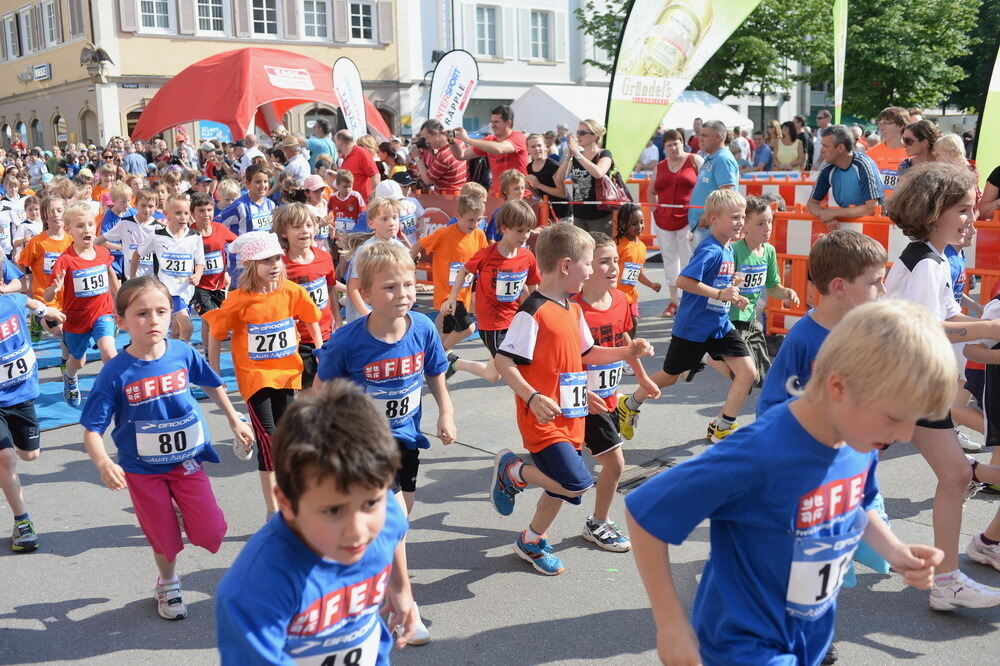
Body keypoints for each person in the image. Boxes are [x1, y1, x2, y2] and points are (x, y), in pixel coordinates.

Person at [627, 299, 950, 666]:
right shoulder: (759, 452)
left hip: (808, 638)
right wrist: (669, 622)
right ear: (839, 387)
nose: (905, 435)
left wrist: (894, 551)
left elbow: (855, 505)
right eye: (895, 418)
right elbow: (645, 512)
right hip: (744, 645)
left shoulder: (860, 440)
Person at [81, 276, 253, 621]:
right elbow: (92, 429)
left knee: (211, 532)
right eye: (142, 313)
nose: (154, 320)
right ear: (121, 322)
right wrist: (102, 463)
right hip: (143, 469)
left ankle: (177, 512)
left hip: (186, 462)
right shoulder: (115, 373)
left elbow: (212, 383)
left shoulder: (182, 352)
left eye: (161, 311)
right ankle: (168, 583)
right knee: (164, 538)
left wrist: (234, 418)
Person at [489, 223, 654, 576]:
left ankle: (531, 540)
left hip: (572, 413)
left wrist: (628, 350)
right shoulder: (531, 312)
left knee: (561, 490)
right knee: (575, 485)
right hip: (542, 420)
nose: (592, 270)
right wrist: (532, 396)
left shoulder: (572, 309)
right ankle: (513, 470)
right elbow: (503, 361)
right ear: (566, 266)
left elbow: (586, 353)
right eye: (588, 264)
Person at [215, 380, 418, 663]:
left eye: (370, 503)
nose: (358, 532)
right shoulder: (254, 590)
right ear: (286, 502)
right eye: (333, 511)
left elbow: (394, 532)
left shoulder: (385, 516)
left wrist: (400, 589)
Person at [313, 242, 455, 646]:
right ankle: (403, 603)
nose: (403, 294)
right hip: (363, 445)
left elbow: (435, 373)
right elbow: (320, 392)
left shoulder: (424, 328)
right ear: (366, 294)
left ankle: (360, 580)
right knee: (392, 520)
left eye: (409, 285)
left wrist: (445, 412)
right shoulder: (347, 342)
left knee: (397, 521)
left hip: (407, 438)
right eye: (390, 287)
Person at [883, 162, 1000, 608]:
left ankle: (946, 580)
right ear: (935, 212)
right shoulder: (926, 263)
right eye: (964, 211)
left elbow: (951, 316)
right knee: (834, 479)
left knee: (954, 474)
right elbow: (930, 329)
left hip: (916, 385)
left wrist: (987, 325)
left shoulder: (934, 258)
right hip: (900, 386)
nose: (973, 219)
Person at [617, 189, 754, 443]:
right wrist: (721, 293)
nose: (740, 222)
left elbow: (717, 284)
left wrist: (733, 294)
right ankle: (630, 402)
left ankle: (722, 425)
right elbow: (684, 280)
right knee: (670, 377)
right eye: (734, 217)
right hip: (693, 328)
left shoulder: (727, 249)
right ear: (713, 219)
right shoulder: (710, 249)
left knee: (748, 373)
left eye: (742, 216)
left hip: (719, 326)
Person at [203, 231, 322, 518]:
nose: (275, 265)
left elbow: (312, 319)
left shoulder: (292, 291)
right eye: (265, 260)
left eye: (277, 258)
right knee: (269, 445)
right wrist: (215, 373)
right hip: (255, 379)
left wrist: (321, 353)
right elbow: (217, 334)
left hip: (288, 377)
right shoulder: (238, 300)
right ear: (250, 266)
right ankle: (273, 511)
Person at [573, 231, 660, 552]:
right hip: (580, 401)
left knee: (565, 472)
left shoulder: (621, 300)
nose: (614, 267)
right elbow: (565, 358)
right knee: (614, 464)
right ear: (585, 267)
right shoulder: (574, 308)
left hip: (607, 398)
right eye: (604, 262)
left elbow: (626, 344)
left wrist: (642, 379)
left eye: (616, 261)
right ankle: (598, 523)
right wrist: (581, 391)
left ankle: (517, 473)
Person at [758, 230, 887, 415]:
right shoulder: (802, 339)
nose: (883, 289)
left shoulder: (868, 330)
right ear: (840, 287)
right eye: (875, 282)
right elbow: (770, 406)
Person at [444, 199, 540, 383]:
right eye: (520, 230)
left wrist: (534, 315)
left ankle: (455, 363)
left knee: (493, 375)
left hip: (514, 320)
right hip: (492, 324)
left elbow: (533, 289)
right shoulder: (487, 255)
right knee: (513, 368)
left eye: (528, 230)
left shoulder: (527, 257)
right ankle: (531, 399)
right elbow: (464, 270)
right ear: (504, 228)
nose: (525, 236)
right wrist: (452, 298)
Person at [1, 290, 64, 551]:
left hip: (21, 394)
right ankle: (22, 521)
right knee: (6, 457)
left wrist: (46, 312)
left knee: (30, 455)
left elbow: (28, 300)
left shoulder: (9, 301)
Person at [715, 196, 800, 388]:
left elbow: (773, 287)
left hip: (751, 320)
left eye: (770, 221)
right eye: (761, 223)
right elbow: (721, 286)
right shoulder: (733, 250)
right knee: (746, 376)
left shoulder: (769, 251)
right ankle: (708, 358)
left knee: (762, 376)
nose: (767, 228)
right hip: (730, 321)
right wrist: (733, 290)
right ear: (745, 225)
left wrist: (786, 292)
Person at [46, 203, 120, 407]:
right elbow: (47, 292)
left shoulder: (102, 253)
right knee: (78, 361)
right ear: (69, 231)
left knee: (109, 351)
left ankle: (116, 391)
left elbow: (110, 273)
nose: (87, 229)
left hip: (102, 314)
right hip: (76, 319)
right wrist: (55, 287)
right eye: (80, 226)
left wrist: (120, 299)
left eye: (90, 224)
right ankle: (70, 377)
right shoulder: (65, 260)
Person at [273, 203, 342, 389]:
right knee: (309, 391)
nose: (304, 231)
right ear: (284, 232)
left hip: (326, 333)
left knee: (331, 387)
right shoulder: (280, 265)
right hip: (299, 340)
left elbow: (330, 289)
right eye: (296, 227)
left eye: (309, 225)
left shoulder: (324, 257)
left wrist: (338, 319)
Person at [412, 194, 489, 350]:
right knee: (468, 328)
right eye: (471, 220)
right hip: (447, 295)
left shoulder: (479, 235)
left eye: (479, 220)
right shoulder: (445, 234)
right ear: (458, 216)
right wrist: (408, 265)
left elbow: (485, 258)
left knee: (446, 334)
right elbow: (419, 244)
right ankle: (438, 355)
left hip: (463, 293)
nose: (475, 224)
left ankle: (433, 362)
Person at [135, 194, 205, 343]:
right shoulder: (157, 235)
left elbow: (200, 262)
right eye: (178, 213)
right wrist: (131, 279)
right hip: (167, 290)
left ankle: (168, 350)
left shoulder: (195, 236)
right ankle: (179, 358)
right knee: (187, 327)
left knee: (177, 329)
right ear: (167, 214)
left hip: (186, 289)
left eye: (186, 213)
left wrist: (198, 274)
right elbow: (137, 254)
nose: (183, 217)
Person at [650, 129, 702, 317]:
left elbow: (705, 185)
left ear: (682, 143)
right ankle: (673, 301)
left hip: (688, 219)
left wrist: (701, 211)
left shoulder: (694, 161)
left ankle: (690, 300)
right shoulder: (661, 166)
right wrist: (655, 210)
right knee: (670, 260)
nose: (673, 147)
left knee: (689, 259)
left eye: (676, 143)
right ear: (664, 148)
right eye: (669, 145)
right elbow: (651, 191)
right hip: (664, 220)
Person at [807, 125, 884, 231]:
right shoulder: (828, 169)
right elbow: (811, 203)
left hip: (872, 229)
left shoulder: (863, 165)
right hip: (848, 229)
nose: (821, 150)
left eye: (825, 146)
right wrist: (824, 216)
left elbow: (871, 208)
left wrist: (833, 213)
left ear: (840, 148)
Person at [343, 198, 404, 323]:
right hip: (368, 315)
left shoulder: (399, 247)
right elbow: (353, 288)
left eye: (395, 217)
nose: (392, 223)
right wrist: (367, 315)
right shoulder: (366, 250)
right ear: (371, 224)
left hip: (391, 310)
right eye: (384, 219)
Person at [189, 192, 236, 343]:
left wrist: (228, 272)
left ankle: (209, 356)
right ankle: (210, 354)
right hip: (200, 285)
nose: (206, 214)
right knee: (210, 320)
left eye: (209, 210)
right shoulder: (189, 234)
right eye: (201, 211)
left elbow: (237, 243)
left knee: (210, 321)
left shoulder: (220, 229)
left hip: (220, 284)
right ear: (193, 213)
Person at [449, 105, 529, 194]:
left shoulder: (518, 137)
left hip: (519, 194)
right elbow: (462, 155)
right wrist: (451, 141)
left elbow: (499, 149)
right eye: (491, 122)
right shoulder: (489, 140)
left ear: (508, 123)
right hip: (497, 194)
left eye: (496, 122)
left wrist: (467, 139)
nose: (493, 125)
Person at [555, 119, 616, 234]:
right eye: (577, 132)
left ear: (595, 136)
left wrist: (577, 154)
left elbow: (598, 173)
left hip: (600, 215)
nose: (578, 136)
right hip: (579, 214)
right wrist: (569, 156)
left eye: (582, 133)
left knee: (600, 249)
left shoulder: (604, 154)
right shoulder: (578, 157)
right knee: (582, 251)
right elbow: (559, 178)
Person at [687, 120, 740, 244]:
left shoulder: (723, 159)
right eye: (700, 135)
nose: (700, 139)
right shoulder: (712, 157)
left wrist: (707, 215)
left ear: (718, 137)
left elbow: (727, 193)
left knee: (709, 262)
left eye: (705, 135)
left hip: (710, 225)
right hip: (704, 224)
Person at [615, 203, 660, 337]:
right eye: (634, 224)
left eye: (642, 222)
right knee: (619, 327)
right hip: (615, 295)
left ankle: (628, 352)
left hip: (631, 296)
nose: (640, 227)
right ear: (623, 224)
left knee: (633, 322)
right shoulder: (617, 245)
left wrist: (651, 284)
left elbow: (638, 272)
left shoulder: (641, 246)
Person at [99, 187, 160, 281]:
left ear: (156, 206)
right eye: (143, 205)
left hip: (150, 279)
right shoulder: (124, 223)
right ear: (136, 205)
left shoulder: (159, 228)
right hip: (128, 275)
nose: (147, 209)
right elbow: (102, 239)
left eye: (150, 206)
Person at [414, 119, 468, 191]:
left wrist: (418, 158)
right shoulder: (459, 142)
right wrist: (431, 152)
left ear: (436, 134)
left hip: (446, 199)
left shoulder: (443, 156)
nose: (426, 142)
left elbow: (428, 181)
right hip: (461, 192)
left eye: (426, 138)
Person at [525, 133, 568, 220]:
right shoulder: (529, 167)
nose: (537, 149)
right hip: (547, 212)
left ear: (545, 147)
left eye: (539, 145)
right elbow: (540, 195)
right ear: (528, 149)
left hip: (562, 213)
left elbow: (563, 193)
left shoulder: (552, 165)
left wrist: (538, 185)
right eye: (533, 147)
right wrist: (530, 188)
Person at [867, 106, 910, 192]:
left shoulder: (912, 153)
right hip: (878, 205)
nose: (881, 127)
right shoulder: (870, 154)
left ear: (900, 126)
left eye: (886, 123)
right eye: (880, 123)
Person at [335, 130, 380, 201]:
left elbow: (375, 174)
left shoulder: (361, 153)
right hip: (350, 205)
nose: (335, 146)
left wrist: (374, 195)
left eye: (336, 142)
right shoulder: (346, 157)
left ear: (340, 141)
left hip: (363, 205)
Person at [327, 169, 367, 236]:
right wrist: (330, 224)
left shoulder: (356, 196)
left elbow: (363, 214)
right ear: (337, 185)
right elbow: (326, 212)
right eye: (345, 187)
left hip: (353, 234)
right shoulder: (332, 197)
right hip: (338, 234)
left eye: (350, 186)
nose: (348, 189)